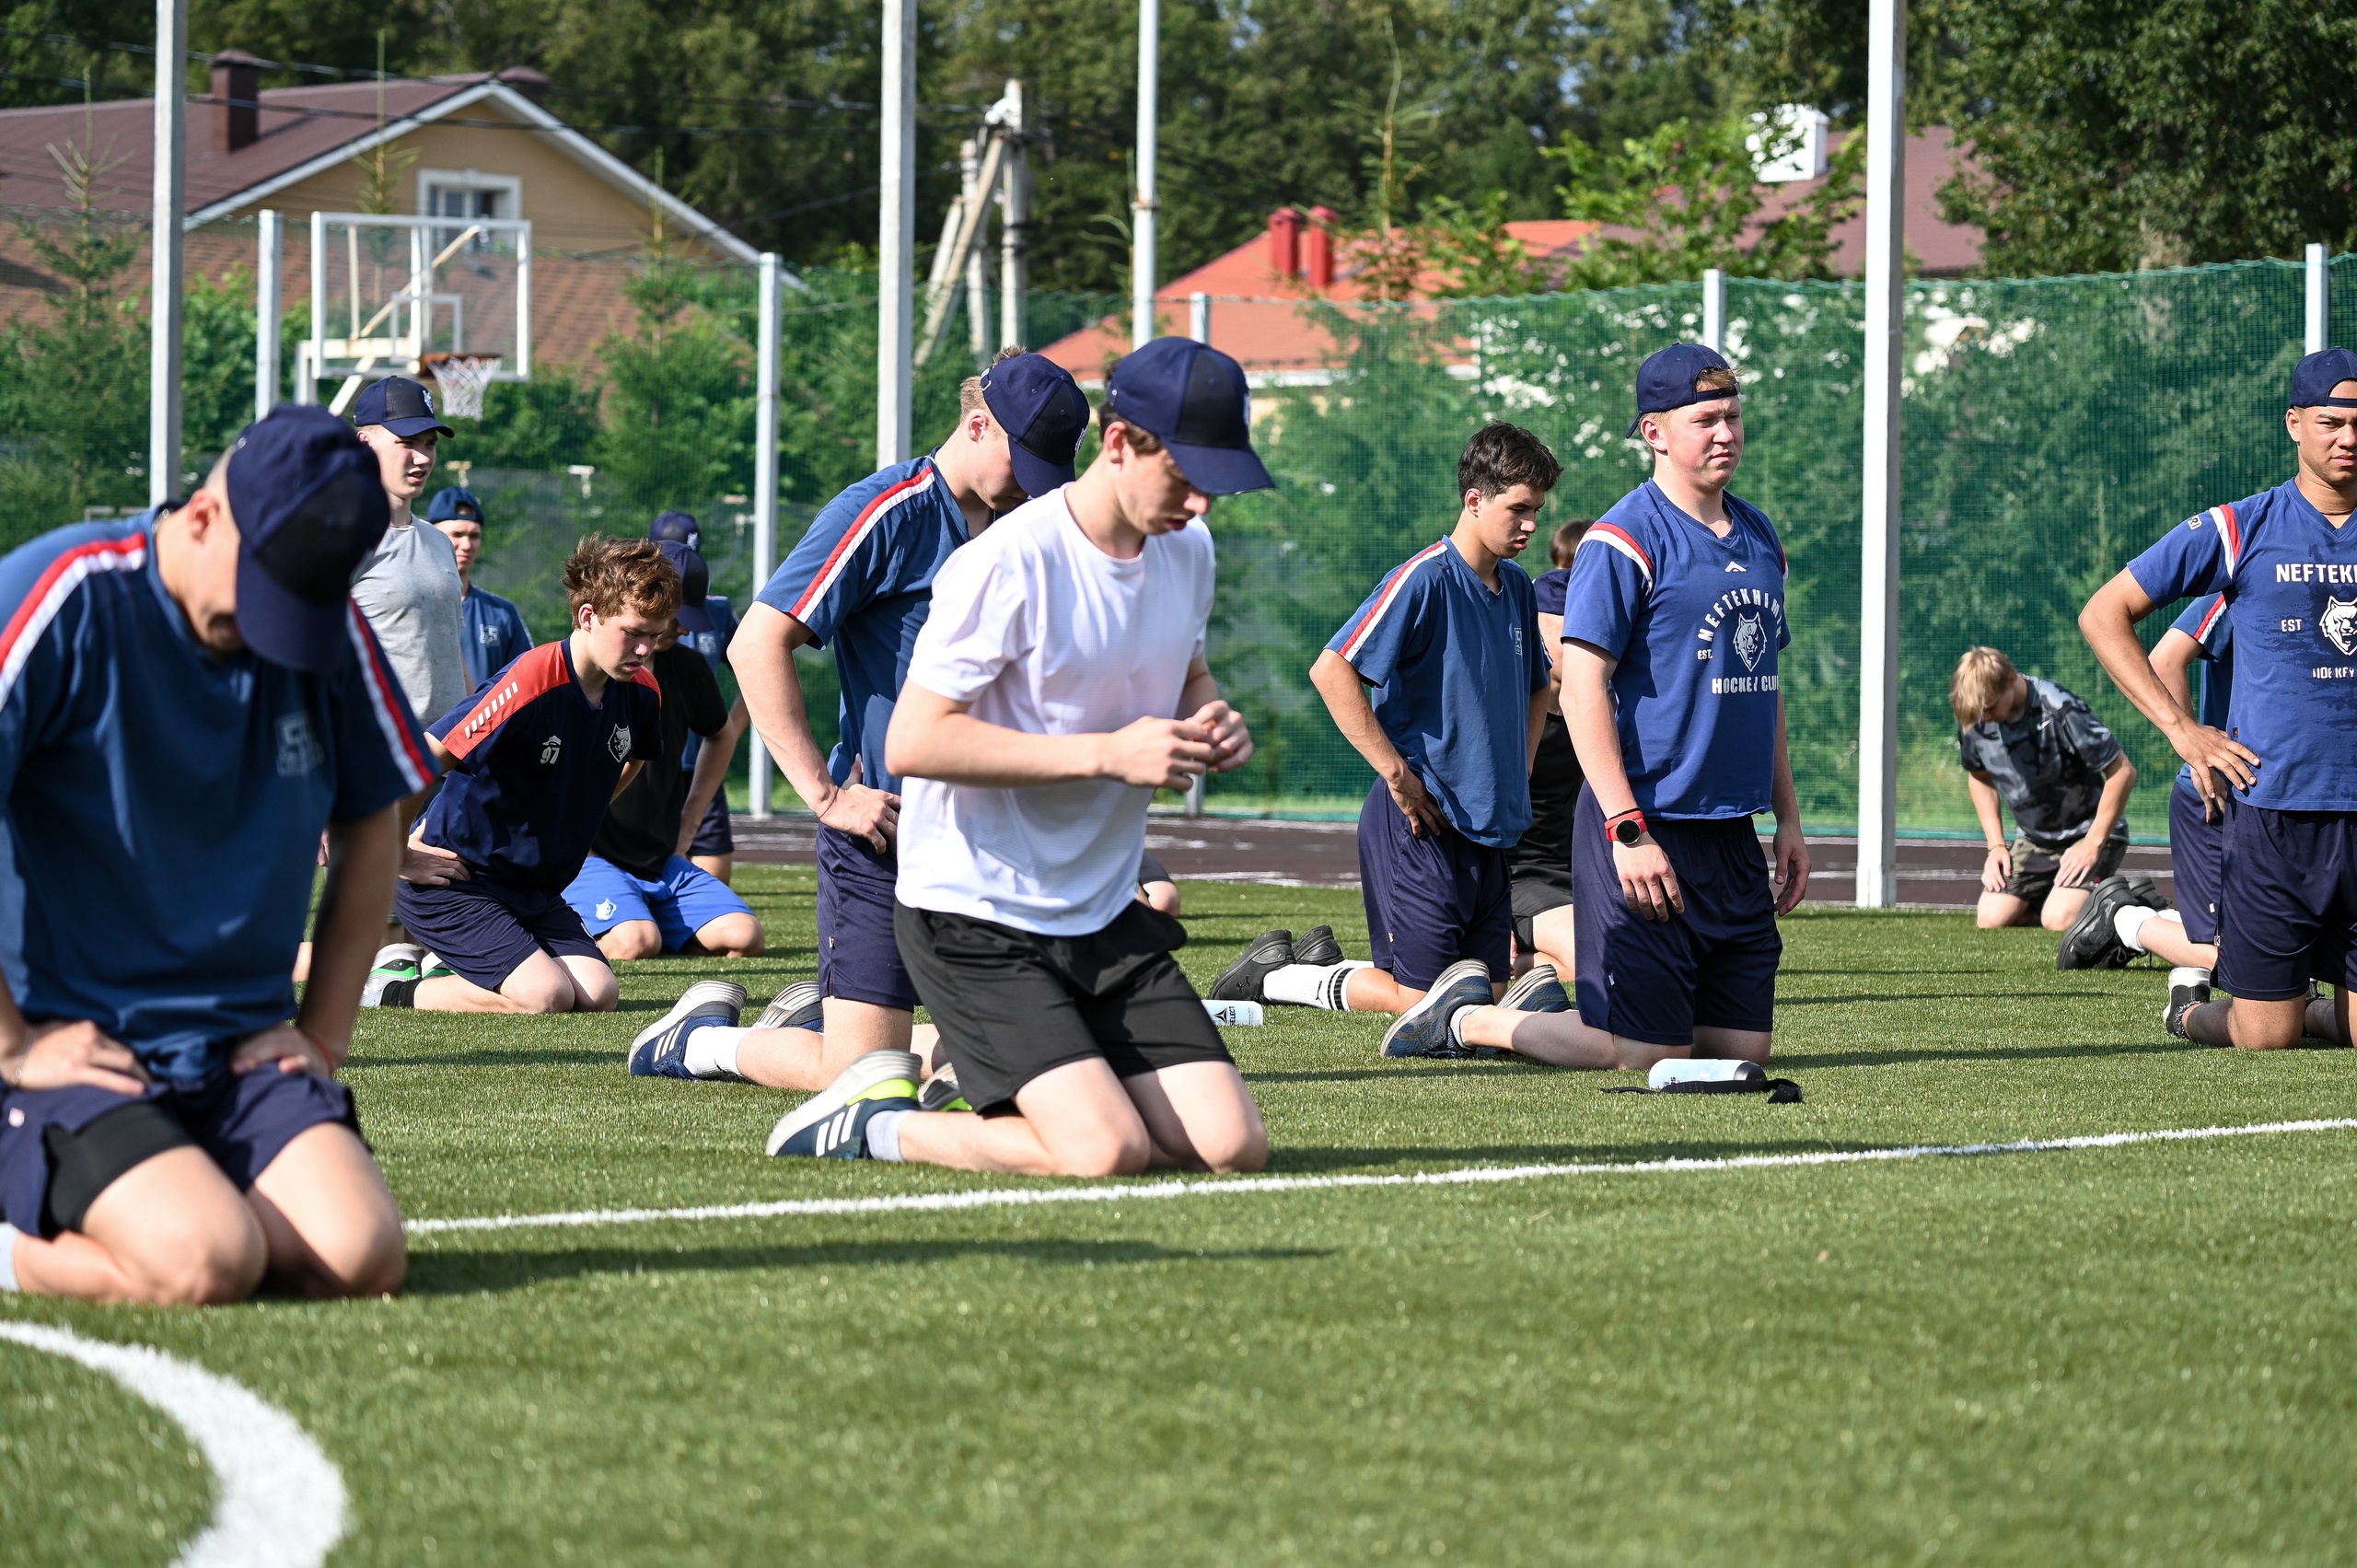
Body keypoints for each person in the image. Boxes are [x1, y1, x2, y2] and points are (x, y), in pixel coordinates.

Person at [746, 336, 1268, 1174]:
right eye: (1187, 476)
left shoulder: (1188, 549)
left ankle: (998, 1073)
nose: (1202, 503)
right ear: (1120, 444)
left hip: (1099, 910)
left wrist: (1209, 718)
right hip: (974, 909)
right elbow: (915, 739)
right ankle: (870, 1123)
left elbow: (1189, 670)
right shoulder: (1005, 561)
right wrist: (1108, 754)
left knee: (1231, 1145)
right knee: (1107, 1150)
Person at [0, 405, 429, 1304]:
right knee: (209, 1259)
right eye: (261, 601)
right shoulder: (64, 592)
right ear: (201, 516)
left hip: (238, 1049)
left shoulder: (325, 626)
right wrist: (16, 1042)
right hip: (75, 1048)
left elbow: (372, 821)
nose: (275, 636)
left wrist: (323, 1034)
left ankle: (177, 1187)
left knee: (361, 1255)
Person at [1388, 343, 1810, 1068]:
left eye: (1734, 416)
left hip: (1731, 835)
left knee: (1741, 1050)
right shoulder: (1623, 538)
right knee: (1645, 1055)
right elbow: (1580, 687)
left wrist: (1789, 818)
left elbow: (1763, 687)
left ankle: (1539, 1010)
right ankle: (1470, 1019)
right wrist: (1626, 827)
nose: (1726, 433)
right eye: (1705, 419)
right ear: (1654, 432)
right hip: (1647, 824)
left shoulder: (1761, 535)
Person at [709, 350, 1089, 1093]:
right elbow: (755, 643)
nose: (1031, 486)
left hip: (991, 845)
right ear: (978, 426)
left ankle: (828, 1019)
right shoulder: (887, 510)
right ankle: (702, 1042)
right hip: (886, 836)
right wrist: (826, 795)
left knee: (1035, 1058)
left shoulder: (1031, 526)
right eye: (1024, 464)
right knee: (864, 1075)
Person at [1213, 424, 1560, 1036]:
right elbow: (1331, 669)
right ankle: (1277, 977)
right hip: (1420, 822)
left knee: (1486, 992)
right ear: (1474, 500)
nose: (1531, 524)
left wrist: (1521, 769)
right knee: (1424, 998)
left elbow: (1539, 685)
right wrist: (1397, 775)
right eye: (1519, 509)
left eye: (1537, 510)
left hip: (1489, 828)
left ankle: (1314, 965)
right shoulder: (1424, 578)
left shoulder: (1517, 589)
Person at [2078, 345, 2357, 1049]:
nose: (2348, 437)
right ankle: (2185, 1010)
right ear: (2295, 424)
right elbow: (2105, 612)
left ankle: (2307, 1007)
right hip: (2272, 816)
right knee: (2265, 1037)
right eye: (2331, 422)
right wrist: (2183, 730)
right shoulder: (2242, 527)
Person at [368, 538, 674, 1015]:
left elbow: (633, 758)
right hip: (457, 881)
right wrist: (398, 855)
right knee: (547, 997)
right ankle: (390, 988)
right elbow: (421, 760)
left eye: (653, 637)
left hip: (534, 890)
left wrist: (578, 807)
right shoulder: (532, 680)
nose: (644, 649)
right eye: (633, 632)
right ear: (588, 616)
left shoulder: (642, 692)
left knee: (599, 995)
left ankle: (455, 967)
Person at [566, 540, 764, 966]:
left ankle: (640, 917)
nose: (686, 630)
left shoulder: (687, 668)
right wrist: (570, 842)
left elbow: (722, 735)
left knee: (744, 937)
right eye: (678, 618)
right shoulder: (581, 672)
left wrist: (689, 822)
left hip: (659, 858)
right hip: (591, 857)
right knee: (635, 943)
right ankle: (596, 927)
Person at [1950, 645, 2141, 939]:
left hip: (2090, 834)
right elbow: (1979, 776)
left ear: (2011, 679)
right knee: (1991, 917)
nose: (1984, 719)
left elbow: (2123, 771)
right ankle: (2064, 899)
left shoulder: (2058, 707)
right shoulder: (1976, 715)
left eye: (1990, 709)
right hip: (2035, 841)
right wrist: (1996, 846)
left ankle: (2134, 904)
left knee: (2059, 918)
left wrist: (2092, 844)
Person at [350, 377, 471, 727]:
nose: (423, 457)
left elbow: (451, 652)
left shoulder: (439, 542)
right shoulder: (345, 539)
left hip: (448, 751)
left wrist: (475, 729)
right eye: (407, 443)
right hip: (383, 750)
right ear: (364, 444)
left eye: (430, 444)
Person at [1506, 516, 1592, 980]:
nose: (1585, 644)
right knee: (1594, 959)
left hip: (1585, 876)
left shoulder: (1604, 710)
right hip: (1521, 878)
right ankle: (1481, 959)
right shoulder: (1507, 715)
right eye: (1566, 631)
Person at [650, 511, 749, 883]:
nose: (682, 629)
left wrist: (727, 732)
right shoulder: (612, 651)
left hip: (698, 767)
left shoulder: (716, 613)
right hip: (647, 772)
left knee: (713, 892)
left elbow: (757, 674)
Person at [427, 485, 533, 691]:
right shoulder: (411, 606)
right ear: (432, 537)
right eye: (457, 534)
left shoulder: (501, 613)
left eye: (474, 536)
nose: (467, 545)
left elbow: (527, 681)